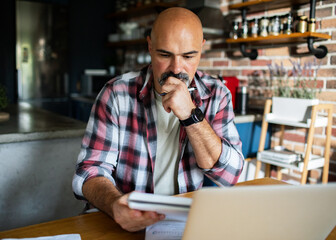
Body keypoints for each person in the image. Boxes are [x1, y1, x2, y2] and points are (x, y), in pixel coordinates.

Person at [72, 7, 244, 232]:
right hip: (120, 223)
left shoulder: (217, 94)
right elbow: (89, 172)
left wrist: (191, 115)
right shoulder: (116, 93)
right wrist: (115, 205)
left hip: (183, 226)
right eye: (165, 54)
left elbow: (230, 176)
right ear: (150, 46)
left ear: (201, 49)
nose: (176, 69)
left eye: (189, 56)